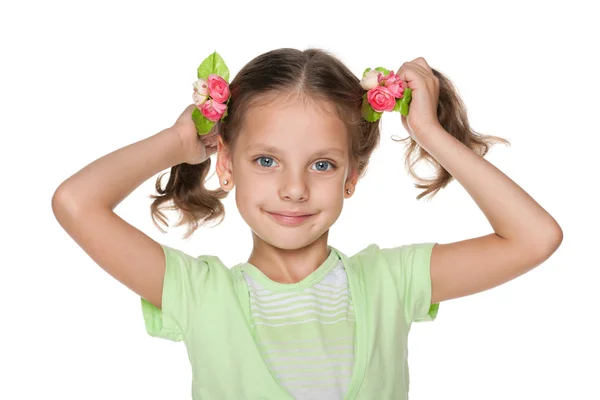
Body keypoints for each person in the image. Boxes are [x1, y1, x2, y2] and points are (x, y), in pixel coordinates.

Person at [51, 48, 563, 399]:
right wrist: (176, 143)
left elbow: (535, 238)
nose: (294, 188)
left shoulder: (392, 280)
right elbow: (76, 202)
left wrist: (428, 132)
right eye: (266, 161)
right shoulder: (197, 293)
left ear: (352, 175)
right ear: (226, 164)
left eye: (321, 164)